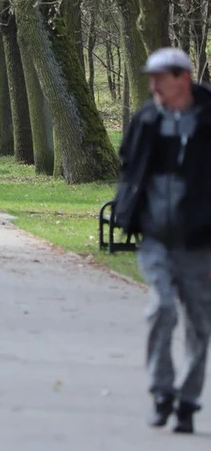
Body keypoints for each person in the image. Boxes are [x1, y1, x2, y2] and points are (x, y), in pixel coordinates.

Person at [114, 47, 211, 434]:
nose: (152, 86)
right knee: (162, 309)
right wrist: (128, 207)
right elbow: (129, 165)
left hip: (201, 244)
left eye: (159, 78)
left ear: (182, 78)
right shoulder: (147, 118)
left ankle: (187, 401)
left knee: (199, 327)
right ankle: (161, 392)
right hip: (155, 238)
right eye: (149, 78)